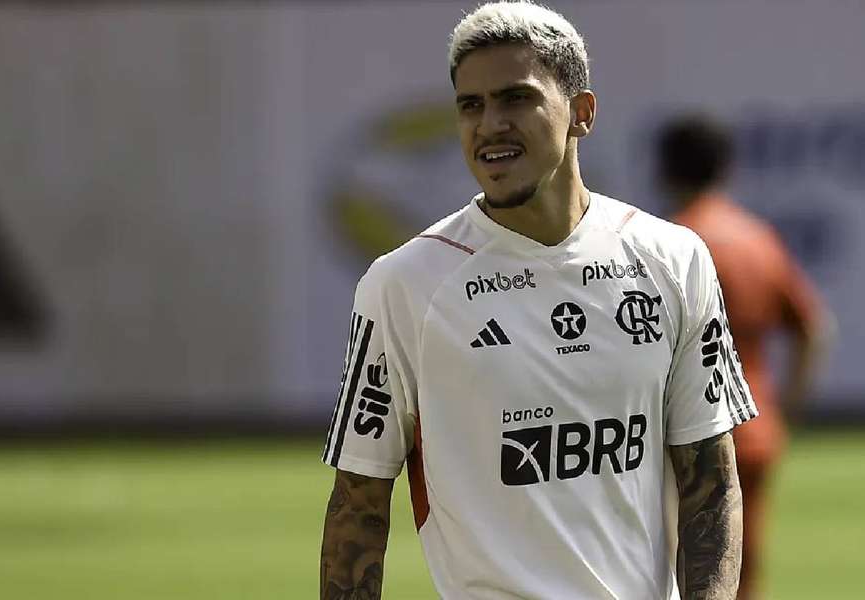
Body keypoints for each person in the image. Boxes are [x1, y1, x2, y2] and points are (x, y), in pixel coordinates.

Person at [320, 3, 757, 598]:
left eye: (515, 99)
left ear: (582, 112)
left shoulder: (673, 259)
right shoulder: (401, 284)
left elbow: (712, 480)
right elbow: (359, 507)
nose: (489, 124)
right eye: (470, 105)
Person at [660, 114, 827, 600]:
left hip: (687, 431)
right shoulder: (758, 238)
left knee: (675, 573)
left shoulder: (670, 243)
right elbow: (813, 329)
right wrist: (786, 409)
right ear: (726, 168)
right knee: (740, 570)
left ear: (666, 172)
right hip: (754, 427)